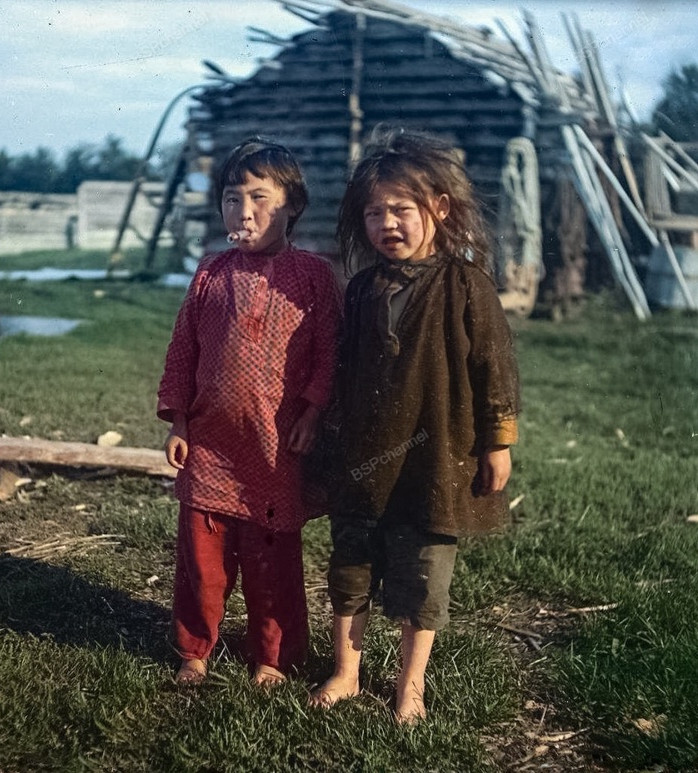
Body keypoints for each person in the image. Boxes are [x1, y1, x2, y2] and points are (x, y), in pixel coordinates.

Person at [309, 127, 520, 723]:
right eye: (374, 212)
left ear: (440, 209)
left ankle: (410, 686)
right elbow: (344, 368)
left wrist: (497, 440)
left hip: (434, 456)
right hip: (366, 456)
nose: (388, 223)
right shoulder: (360, 290)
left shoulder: (465, 286)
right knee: (351, 564)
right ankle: (347, 671)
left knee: (423, 575)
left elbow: (494, 368)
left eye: (402, 209)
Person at [157, 138, 341, 687]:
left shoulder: (311, 276)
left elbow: (329, 351)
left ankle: (272, 657)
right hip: (210, 444)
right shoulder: (211, 273)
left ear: (293, 206)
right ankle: (195, 648)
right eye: (233, 198)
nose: (245, 210)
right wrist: (180, 421)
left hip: (275, 448)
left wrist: (313, 412)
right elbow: (183, 349)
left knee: (272, 564)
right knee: (201, 562)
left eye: (260, 197)